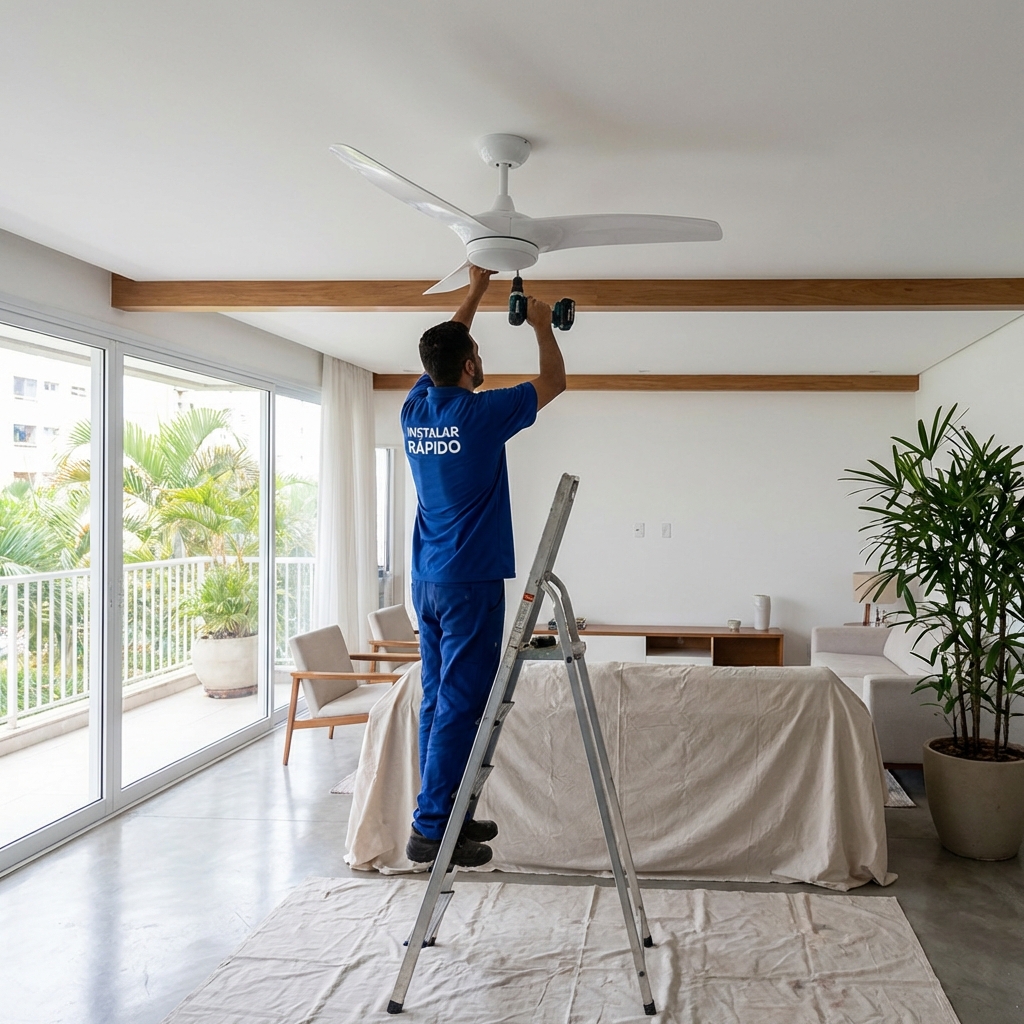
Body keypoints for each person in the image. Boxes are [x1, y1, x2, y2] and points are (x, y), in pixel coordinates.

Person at [401, 265, 567, 866]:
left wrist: (475, 290)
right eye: (476, 354)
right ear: (471, 366)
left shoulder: (416, 410)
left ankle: (448, 814)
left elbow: (446, 347)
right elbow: (554, 381)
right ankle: (430, 827)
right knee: (462, 703)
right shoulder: (478, 415)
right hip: (469, 580)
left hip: (428, 579)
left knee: (436, 698)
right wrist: (544, 326)